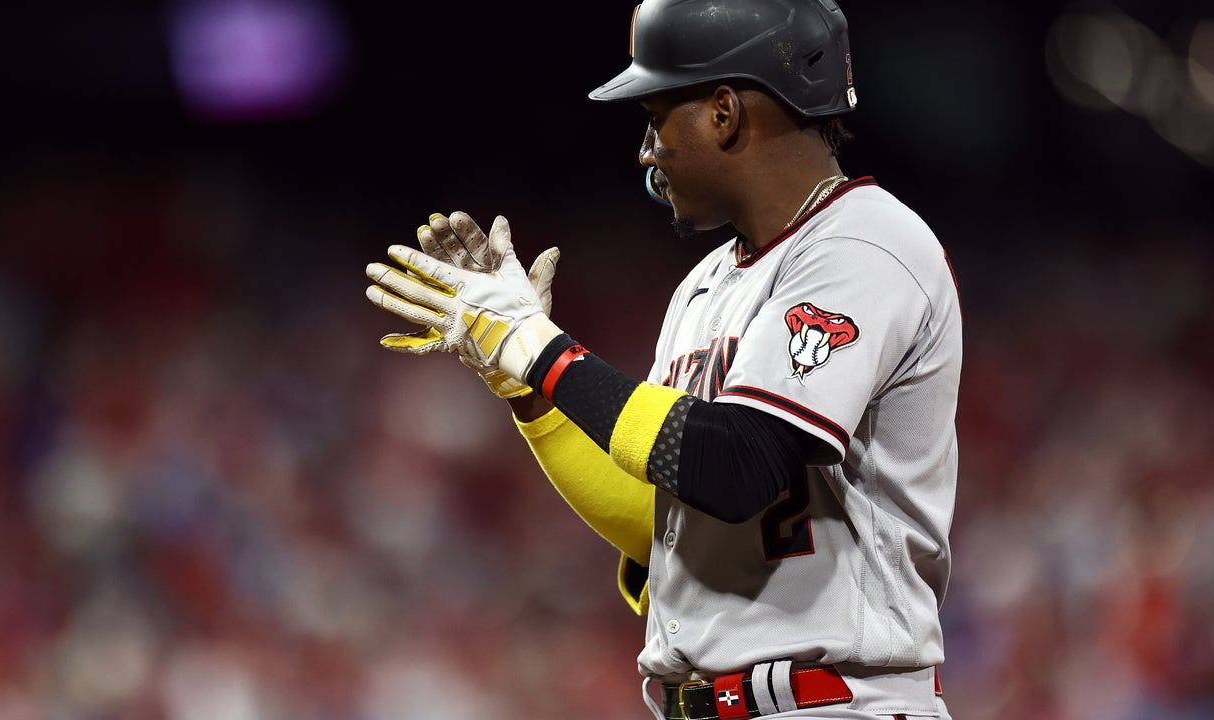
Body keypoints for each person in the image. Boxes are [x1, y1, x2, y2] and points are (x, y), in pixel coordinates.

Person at [364, 0, 961, 718]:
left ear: (723, 112)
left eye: (656, 119)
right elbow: (665, 510)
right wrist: (523, 387)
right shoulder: (705, 287)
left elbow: (736, 465)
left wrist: (539, 347)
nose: (647, 152)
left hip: (836, 702)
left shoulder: (866, 243)